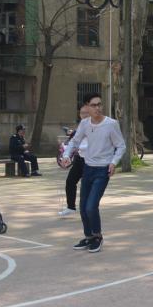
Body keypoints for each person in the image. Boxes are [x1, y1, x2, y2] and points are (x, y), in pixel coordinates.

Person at [60, 92, 126, 253]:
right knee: (83, 207)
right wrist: (66, 156)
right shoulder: (84, 124)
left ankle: (98, 236)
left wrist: (113, 162)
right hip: (88, 168)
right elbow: (74, 142)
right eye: (94, 105)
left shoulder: (111, 124)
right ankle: (89, 237)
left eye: (99, 104)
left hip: (103, 170)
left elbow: (121, 146)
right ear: (87, 107)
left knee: (91, 207)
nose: (98, 108)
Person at [59, 104, 91, 217]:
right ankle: (71, 207)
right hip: (79, 159)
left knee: (86, 185)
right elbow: (73, 142)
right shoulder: (81, 127)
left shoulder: (96, 127)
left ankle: (88, 208)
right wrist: (66, 156)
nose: (84, 115)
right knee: (70, 181)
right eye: (82, 113)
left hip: (91, 161)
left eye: (86, 113)